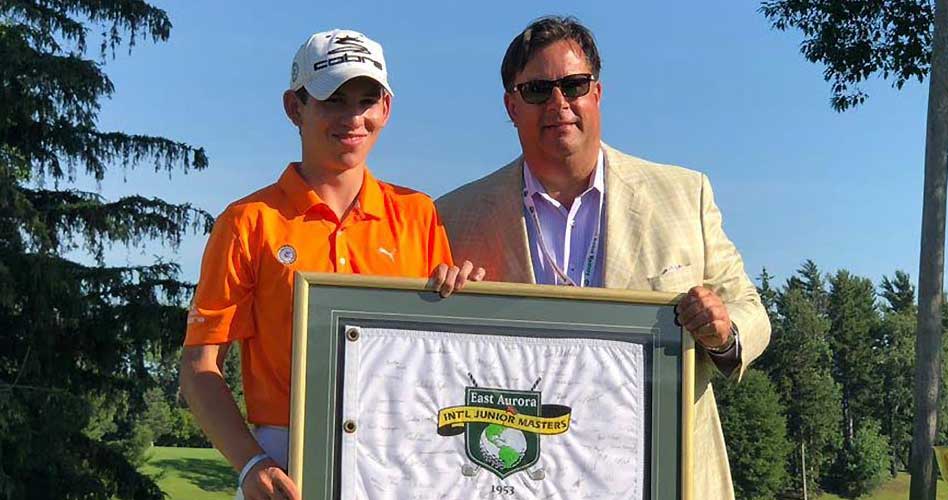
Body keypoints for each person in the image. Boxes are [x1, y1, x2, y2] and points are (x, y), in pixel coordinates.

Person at [435, 16, 770, 499]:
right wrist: (441, 302)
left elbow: (750, 310)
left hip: (664, 476)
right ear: (511, 105)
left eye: (574, 85)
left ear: (597, 92)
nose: (559, 103)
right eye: (537, 90)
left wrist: (723, 331)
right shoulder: (453, 217)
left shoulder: (684, 195)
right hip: (521, 479)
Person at [180, 29, 482, 500]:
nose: (353, 118)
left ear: (386, 108)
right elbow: (199, 367)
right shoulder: (247, 222)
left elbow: (440, 362)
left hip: (399, 456)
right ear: (294, 108)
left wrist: (465, 301)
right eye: (333, 100)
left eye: (367, 100)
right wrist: (251, 463)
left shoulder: (418, 214)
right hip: (285, 457)